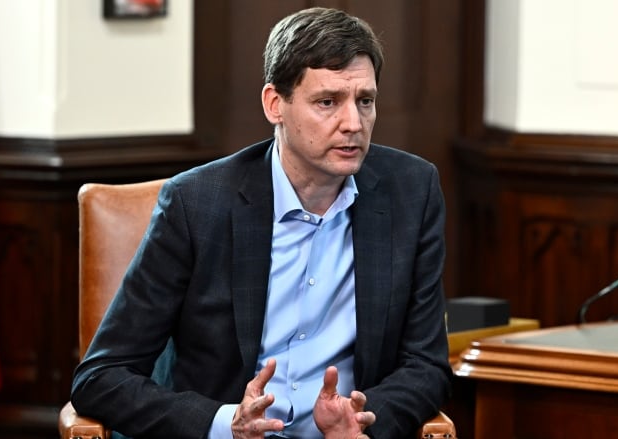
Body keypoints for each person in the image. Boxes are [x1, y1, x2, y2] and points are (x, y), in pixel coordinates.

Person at [71, 7, 451, 439]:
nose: (353, 123)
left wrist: (366, 422)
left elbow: (427, 365)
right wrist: (223, 424)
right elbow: (102, 376)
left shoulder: (411, 192)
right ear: (276, 104)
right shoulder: (197, 204)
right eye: (328, 102)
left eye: (365, 100)